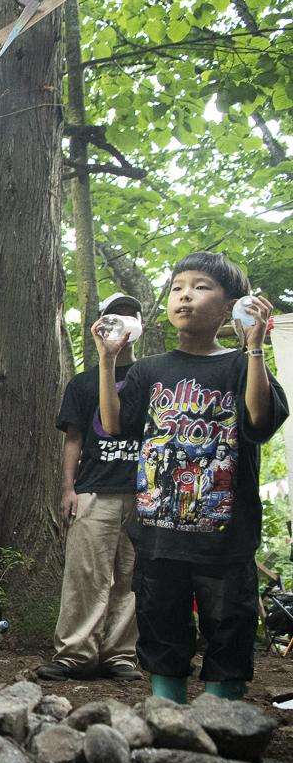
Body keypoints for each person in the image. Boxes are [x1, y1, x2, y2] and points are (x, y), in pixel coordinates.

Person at [95, 252, 287, 703]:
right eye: (179, 286)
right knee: (162, 626)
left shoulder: (240, 366)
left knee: (230, 626)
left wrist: (254, 346)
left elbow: (260, 421)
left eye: (201, 287)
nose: (185, 295)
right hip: (158, 535)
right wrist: (108, 360)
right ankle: (167, 713)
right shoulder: (149, 370)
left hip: (225, 536)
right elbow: (115, 423)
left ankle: (225, 719)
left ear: (229, 307)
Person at [38, 294, 145, 681]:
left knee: (129, 576)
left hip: (141, 492)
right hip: (94, 489)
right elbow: (73, 439)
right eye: (115, 316)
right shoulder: (84, 383)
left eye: (131, 315)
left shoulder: (151, 376)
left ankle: (120, 654)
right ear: (102, 325)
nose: (123, 322)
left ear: (140, 324)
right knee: (84, 574)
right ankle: (74, 654)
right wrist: (68, 488)